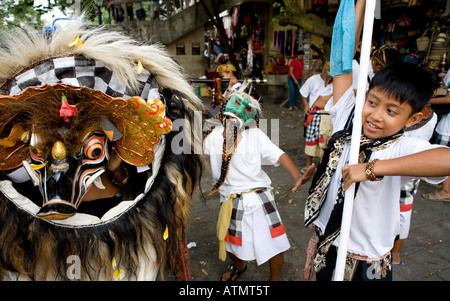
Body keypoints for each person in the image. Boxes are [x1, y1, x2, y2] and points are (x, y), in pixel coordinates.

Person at [303, 0, 450, 281]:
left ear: (412, 119)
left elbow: (447, 159)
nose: (376, 116)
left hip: (364, 260)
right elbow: (341, 59)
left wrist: (372, 169)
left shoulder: (400, 147)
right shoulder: (351, 116)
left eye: (391, 111)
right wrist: (356, 3)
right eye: (372, 102)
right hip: (329, 243)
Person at [203, 84, 316, 281]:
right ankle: (239, 266)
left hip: (258, 199)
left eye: (246, 108)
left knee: (273, 245)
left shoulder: (255, 135)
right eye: (237, 102)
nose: (238, 110)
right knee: (230, 243)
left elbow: (279, 155)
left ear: (252, 116)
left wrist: (297, 176)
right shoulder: (211, 136)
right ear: (227, 102)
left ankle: (274, 280)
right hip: (229, 200)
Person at [300, 61, 333, 173]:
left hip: (328, 115)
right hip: (315, 114)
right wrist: (306, 105)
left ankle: (322, 165)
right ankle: (308, 164)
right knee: (311, 138)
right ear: (324, 73)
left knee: (326, 140)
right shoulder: (313, 80)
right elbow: (304, 93)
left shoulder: (336, 82)